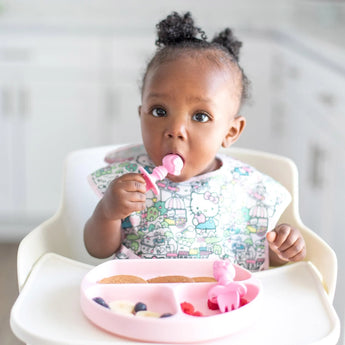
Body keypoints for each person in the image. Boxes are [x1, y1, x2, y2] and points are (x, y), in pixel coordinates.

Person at [84, 12, 306, 271]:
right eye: (159, 111)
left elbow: (258, 259)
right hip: (141, 299)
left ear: (230, 132)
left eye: (200, 116)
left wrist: (280, 250)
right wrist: (107, 212)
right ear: (141, 115)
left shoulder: (247, 188)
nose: (175, 130)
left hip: (219, 303)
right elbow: (97, 250)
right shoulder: (129, 182)